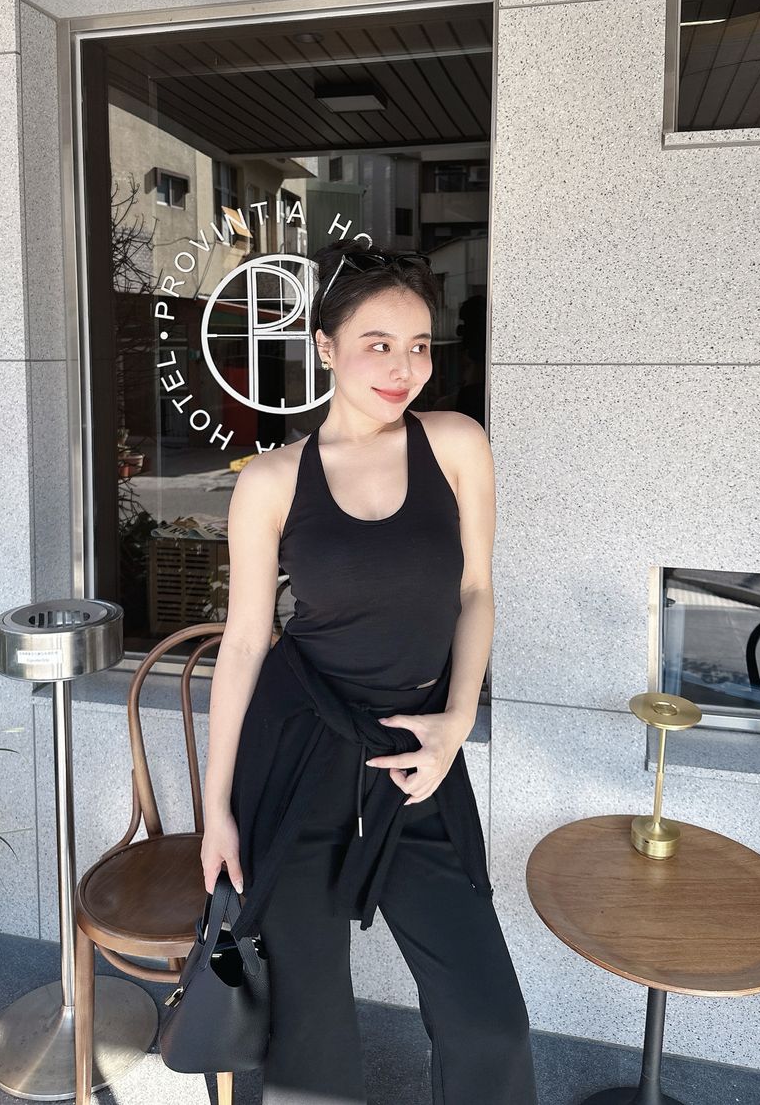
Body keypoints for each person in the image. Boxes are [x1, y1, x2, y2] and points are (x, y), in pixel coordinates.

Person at [200, 238, 539, 1104]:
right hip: (299, 760)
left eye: (418, 344)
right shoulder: (272, 479)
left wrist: (457, 722)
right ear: (325, 346)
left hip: (417, 756)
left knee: (489, 1022)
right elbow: (245, 643)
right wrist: (215, 808)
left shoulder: (455, 444)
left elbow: (476, 591)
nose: (403, 367)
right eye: (377, 344)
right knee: (308, 1039)